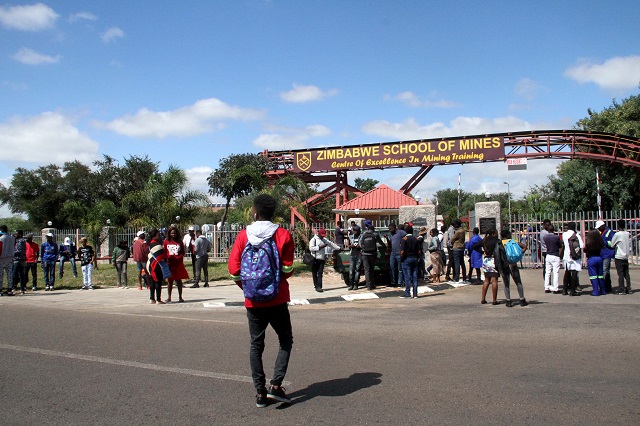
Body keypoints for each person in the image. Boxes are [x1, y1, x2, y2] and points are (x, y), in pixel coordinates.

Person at [227, 194, 295, 407]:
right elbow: (288, 269)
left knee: (256, 345)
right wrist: (273, 284)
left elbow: (233, 270)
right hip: (278, 298)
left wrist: (249, 288)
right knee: (285, 340)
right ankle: (276, 385)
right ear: (273, 213)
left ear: (254, 212)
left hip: (253, 303)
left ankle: (259, 393)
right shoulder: (283, 234)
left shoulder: (243, 236)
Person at [499, 230, 528, 307]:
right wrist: (519, 254)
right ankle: (522, 299)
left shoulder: (500, 243)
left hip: (505, 265)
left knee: (506, 284)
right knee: (518, 282)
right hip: (513, 265)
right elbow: (525, 246)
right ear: (508, 235)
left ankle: (508, 301)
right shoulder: (513, 241)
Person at [163, 226, 190, 302]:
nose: (173, 234)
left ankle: (180, 297)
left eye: (174, 233)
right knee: (170, 281)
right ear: (169, 234)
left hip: (178, 264)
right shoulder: (166, 241)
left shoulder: (179, 242)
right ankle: (169, 297)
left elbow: (183, 252)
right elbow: (164, 251)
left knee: (178, 280)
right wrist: (167, 258)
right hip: (170, 264)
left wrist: (179, 257)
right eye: (172, 233)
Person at [309, 228, 339, 292]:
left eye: (323, 235)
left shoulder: (324, 239)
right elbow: (311, 248)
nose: (322, 236)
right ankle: (316, 285)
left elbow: (331, 244)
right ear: (318, 233)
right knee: (314, 273)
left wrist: (338, 248)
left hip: (322, 259)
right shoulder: (313, 240)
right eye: (321, 235)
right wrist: (320, 247)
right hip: (315, 258)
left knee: (320, 273)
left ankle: (319, 287)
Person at [359, 220, 386, 290]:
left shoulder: (363, 235)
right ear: (373, 229)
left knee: (367, 270)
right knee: (371, 269)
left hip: (364, 254)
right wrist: (385, 247)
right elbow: (381, 242)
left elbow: (360, 244)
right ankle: (372, 284)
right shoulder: (375, 234)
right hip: (372, 254)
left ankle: (368, 285)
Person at [609, 219, 631, 295]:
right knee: (626, 273)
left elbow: (612, 244)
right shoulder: (627, 233)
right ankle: (629, 288)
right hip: (626, 255)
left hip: (619, 256)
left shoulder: (617, 234)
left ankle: (621, 289)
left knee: (620, 273)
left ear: (618, 226)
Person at [561, 222, 583, 296]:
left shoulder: (564, 234)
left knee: (567, 272)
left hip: (566, 255)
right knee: (574, 273)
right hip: (574, 256)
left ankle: (564, 289)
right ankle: (573, 291)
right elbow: (582, 245)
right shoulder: (576, 235)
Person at [146, 228, 167, 304]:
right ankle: (158, 299)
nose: (159, 237)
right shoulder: (157, 245)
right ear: (154, 236)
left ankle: (152, 298)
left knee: (152, 282)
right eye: (158, 235)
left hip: (150, 265)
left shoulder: (148, 245)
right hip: (157, 265)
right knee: (158, 281)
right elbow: (162, 256)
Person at [400, 224, 421, 299]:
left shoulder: (404, 239)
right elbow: (419, 251)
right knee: (414, 276)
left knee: (407, 276)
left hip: (406, 258)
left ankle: (407, 293)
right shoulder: (416, 239)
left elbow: (402, 251)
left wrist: (401, 258)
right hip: (414, 258)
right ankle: (415, 293)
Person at [480, 228, 500, 305]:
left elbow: (474, 246)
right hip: (494, 260)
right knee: (494, 281)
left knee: (486, 280)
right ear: (494, 233)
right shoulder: (497, 241)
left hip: (486, 261)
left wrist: (483, 252)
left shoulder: (485, 241)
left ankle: (483, 299)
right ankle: (494, 300)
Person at [596, 220, 616, 293]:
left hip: (607, 254)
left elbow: (613, 243)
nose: (598, 229)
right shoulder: (601, 233)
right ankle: (606, 286)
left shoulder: (610, 232)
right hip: (601, 254)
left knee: (605, 271)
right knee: (603, 271)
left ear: (603, 226)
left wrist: (604, 242)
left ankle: (605, 287)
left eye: (599, 227)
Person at [584, 229, 606, 296]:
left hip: (591, 259)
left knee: (593, 276)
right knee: (600, 276)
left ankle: (595, 291)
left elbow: (585, 250)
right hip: (599, 259)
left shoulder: (588, 243)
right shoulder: (600, 242)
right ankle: (603, 290)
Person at [543, 225, 562, 294]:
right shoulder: (556, 237)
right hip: (555, 255)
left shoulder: (545, 237)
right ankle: (555, 288)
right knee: (555, 272)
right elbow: (560, 246)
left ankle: (546, 287)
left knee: (547, 272)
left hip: (548, 255)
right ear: (554, 230)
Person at [386, 223, 405, 288]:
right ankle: (393, 282)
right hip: (393, 253)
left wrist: (402, 245)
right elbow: (390, 244)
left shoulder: (400, 232)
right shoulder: (391, 234)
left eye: (391, 229)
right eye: (389, 229)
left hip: (399, 253)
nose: (390, 230)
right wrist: (386, 238)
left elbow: (406, 238)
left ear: (394, 228)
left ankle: (400, 282)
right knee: (392, 268)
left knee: (400, 268)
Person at [450, 219, 467, 284]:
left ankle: (456, 277)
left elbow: (452, 239)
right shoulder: (463, 231)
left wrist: (452, 242)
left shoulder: (458, 231)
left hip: (456, 247)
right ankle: (464, 277)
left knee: (457, 263)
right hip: (462, 247)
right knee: (462, 263)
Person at [0, 225, 15, 295]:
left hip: (1, 258)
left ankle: (0, 289)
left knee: (1, 274)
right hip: (10, 258)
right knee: (9, 274)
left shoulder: (1, 238)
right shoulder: (12, 238)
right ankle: (10, 289)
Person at [346, 224, 363, 290]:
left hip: (359, 254)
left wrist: (359, 246)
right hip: (352, 254)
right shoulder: (351, 237)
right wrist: (350, 246)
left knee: (357, 270)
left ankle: (356, 284)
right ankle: (351, 284)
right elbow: (348, 245)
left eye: (356, 230)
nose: (355, 231)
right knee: (351, 271)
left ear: (359, 231)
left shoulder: (361, 237)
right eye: (354, 230)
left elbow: (362, 245)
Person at [12, 230, 27, 294]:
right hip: (18, 259)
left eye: (16, 234)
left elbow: (19, 251)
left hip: (19, 259)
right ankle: (21, 288)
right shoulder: (17, 241)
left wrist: (11, 253)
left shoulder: (21, 241)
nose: (15, 235)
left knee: (14, 274)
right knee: (20, 274)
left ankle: (14, 288)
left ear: (20, 234)